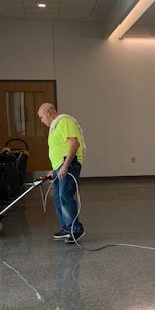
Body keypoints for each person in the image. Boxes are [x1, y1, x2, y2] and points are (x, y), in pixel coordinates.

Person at [37, 103, 86, 243]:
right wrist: (55, 169)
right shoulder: (55, 126)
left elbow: (74, 144)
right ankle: (66, 228)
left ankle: (75, 229)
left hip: (69, 165)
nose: (41, 121)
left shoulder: (64, 121)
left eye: (41, 117)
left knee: (65, 196)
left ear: (48, 113)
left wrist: (65, 165)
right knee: (58, 197)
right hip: (61, 166)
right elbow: (60, 148)